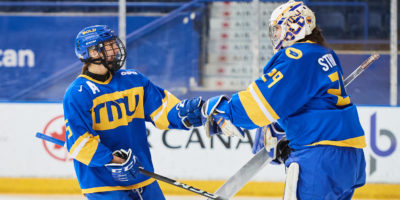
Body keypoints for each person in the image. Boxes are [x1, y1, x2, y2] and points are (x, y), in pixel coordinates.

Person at [201, 1, 366, 199]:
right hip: (349, 157)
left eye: (279, 28)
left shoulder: (297, 56)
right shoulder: (324, 53)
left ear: (294, 25)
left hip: (319, 156)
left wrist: (225, 111)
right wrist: (282, 125)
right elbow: (313, 101)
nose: (276, 34)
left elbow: (260, 103)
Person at [63, 25, 203, 200]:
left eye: (115, 43)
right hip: (103, 184)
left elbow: (163, 111)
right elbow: (79, 143)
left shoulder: (133, 79)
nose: (116, 49)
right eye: (109, 45)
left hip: (142, 178)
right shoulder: (78, 93)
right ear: (93, 52)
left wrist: (188, 114)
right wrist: (112, 159)